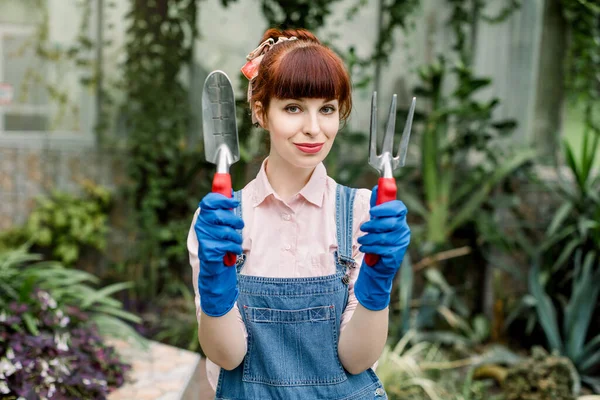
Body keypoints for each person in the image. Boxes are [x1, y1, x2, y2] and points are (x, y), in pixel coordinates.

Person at [188, 27, 411, 400]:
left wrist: (378, 281)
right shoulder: (221, 221)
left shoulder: (363, 214)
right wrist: (215, 283)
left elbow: (357, 361)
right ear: (261, 113)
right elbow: (228, 357)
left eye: (326, 109)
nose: (313, 129)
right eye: (293, 108)